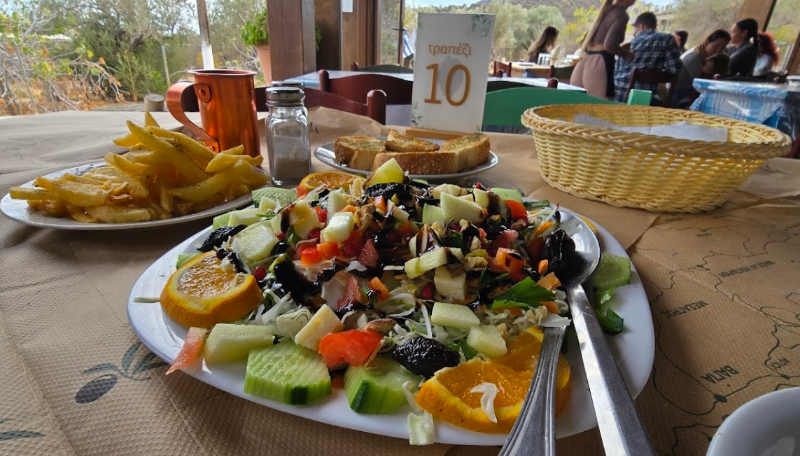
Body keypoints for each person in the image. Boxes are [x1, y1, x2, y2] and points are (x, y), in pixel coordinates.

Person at [570, 0, 636, 99]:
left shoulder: (606, 12)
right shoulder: (621, 15)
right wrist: (626, 54)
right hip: (600, 63)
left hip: (585, 60)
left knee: (576, 104)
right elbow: (609, 45)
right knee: (600, 107)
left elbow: (587, 41)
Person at [613, 12, 682, 103]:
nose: (634, 33)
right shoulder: (666, 39)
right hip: (644, 101)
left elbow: (616, 73)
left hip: (620, 98)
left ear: (641, 27)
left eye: (635, 29)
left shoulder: (627, 46)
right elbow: (675, 68)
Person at [673, 29, 731, 106]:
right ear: (707, 42)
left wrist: (704, 59)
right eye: (716, 46)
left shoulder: (706, 57)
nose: (719, 51)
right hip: (680, 94)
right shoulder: (694, 58)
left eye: (723, 48)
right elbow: (705, 84)